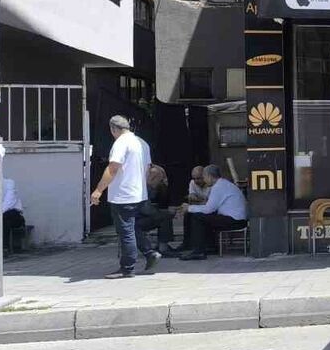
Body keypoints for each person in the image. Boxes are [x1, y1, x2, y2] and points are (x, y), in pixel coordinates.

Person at [91, 115, 160, 279]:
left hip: (123, 195)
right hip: (139, 194)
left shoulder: (121, 143)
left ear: (113, 129)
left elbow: (112, 168)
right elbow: (148, 169)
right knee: (131, 227)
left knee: (126, 232)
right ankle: (149, 253)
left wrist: (98, 190)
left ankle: (127, 268)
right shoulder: (142, 143)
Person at [176, 165, 247, 260]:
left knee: (198, 217)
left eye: (204, 177)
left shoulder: (219, 187)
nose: (204, 180)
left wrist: (189, 208)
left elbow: (208, 209)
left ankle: (199, 251)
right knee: (196, 215)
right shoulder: (222, 184)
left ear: (209, 176)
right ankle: (204, 246)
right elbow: (211, 208)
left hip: (235, 221)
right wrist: (190, 209)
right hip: (234, 218)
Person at [138, 164, 177, 254]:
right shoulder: (143, 189)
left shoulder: (148, 187)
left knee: (164, 214)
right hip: (136, 221)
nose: (162, 182)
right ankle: (163, 247)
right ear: (153, 178)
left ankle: (161, 245)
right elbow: (146, 210)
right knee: (165, 216)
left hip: (137, 218)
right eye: (160, 180)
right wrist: (162, 213)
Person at [2, 176, 26, 251]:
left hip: (14, 215)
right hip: (1, 215)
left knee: (5, 217)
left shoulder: (9, 183)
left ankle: (5, 247)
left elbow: (8, 204)